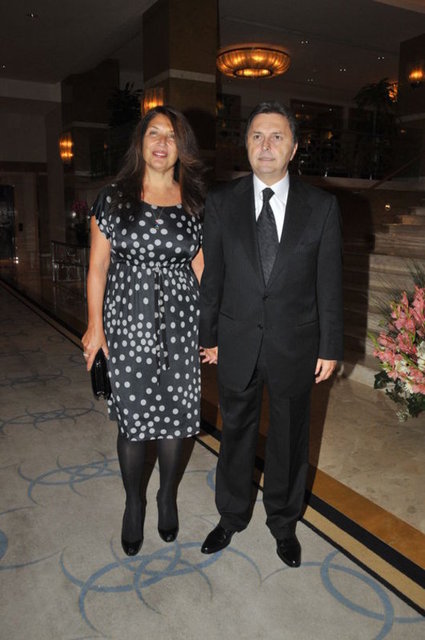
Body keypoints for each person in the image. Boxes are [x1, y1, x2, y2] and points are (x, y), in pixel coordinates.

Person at [199, 102, 343, 567]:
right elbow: (213, 277)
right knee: (235, 433)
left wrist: (330, 346)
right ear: (245, 145)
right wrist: (208, 335)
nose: (266, 145)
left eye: (277, 136)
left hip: (295, 345)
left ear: (294, 148)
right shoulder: (221, 202)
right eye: (257, 136)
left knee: (289, 438)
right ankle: (230, 516)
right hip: (236, 341)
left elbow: (329, 283)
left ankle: (283, 522)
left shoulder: (321, 207)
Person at [82, 106, 206, 556]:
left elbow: (201, 267)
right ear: (140, 142)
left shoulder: (194, 201)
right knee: (135, 421)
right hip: (128, 320)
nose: (162, 142)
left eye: (171, 135)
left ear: (181, 147)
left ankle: (166, 496)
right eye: (154, 133)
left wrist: (210, 330)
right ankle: (134, 503)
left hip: (182, 322)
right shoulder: (114, 198)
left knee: (178, 416)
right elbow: (98, 267)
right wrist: (95, 327)